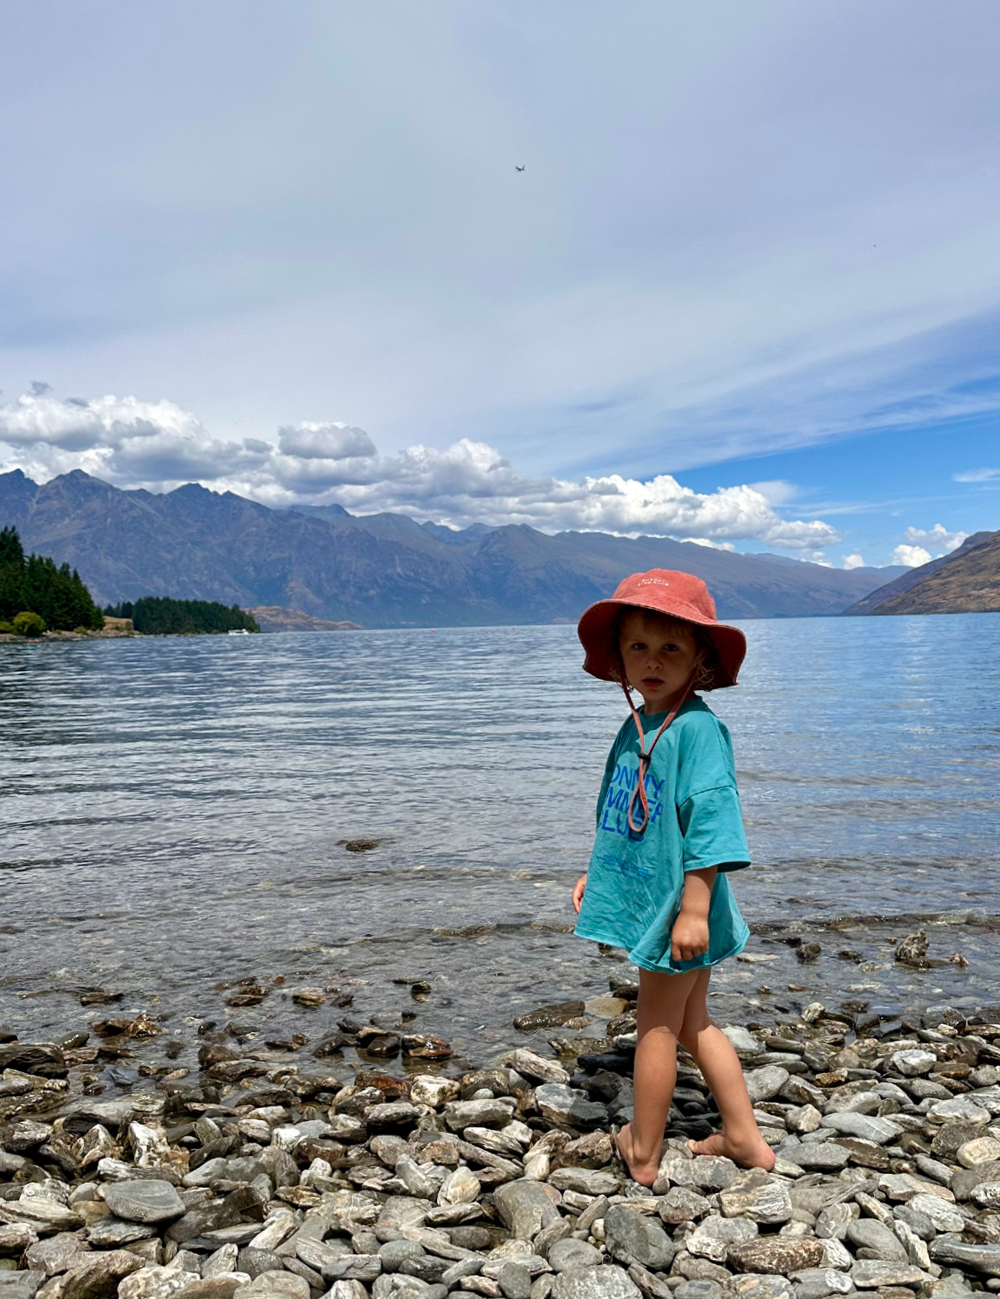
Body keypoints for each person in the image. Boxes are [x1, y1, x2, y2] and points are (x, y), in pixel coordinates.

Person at [572, 568, 774, 1186]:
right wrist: (595, 872)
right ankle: (743, 1139)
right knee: (692, 1021)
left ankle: (643, 1149)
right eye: (639, 646)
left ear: (700, 660)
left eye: (671, 648)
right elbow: (619, 812)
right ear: (619, 657)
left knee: (654, 1023)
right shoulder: (637, 727)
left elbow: (711, 821)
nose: (652, 661)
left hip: (683, 904)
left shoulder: (697, 730)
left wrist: (694, 906)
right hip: (666, 898)